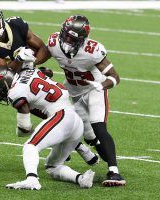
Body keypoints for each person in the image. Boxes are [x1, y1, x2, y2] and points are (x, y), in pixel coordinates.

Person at [0, 2, 99, 166]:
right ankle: (80, 147)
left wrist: (31, 66)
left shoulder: (16, 25)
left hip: (32, 77)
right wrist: (20, 61)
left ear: (0, 16)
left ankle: (84, 143)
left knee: (56, 111)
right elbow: (5, 73)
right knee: (50, 115)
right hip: (14, 85)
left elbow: (44, 50)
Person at [45, 15, 126, 187]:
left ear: (83, 40)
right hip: (73, 92)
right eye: (66, 35)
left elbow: (115, 77)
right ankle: (90, 150)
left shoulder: (92, 50)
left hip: (93, 89)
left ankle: (114, 172)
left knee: (99, 126)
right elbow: (40, 57)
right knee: (86, 135)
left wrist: (102, 85)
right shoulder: (53, 43)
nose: (67, 41)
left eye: (73, 38)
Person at [0, 67, 95, 190]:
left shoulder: (15, 92)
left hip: (62, 116)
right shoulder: (28, 71)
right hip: (75, 120)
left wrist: (19, 131)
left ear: (4, 82)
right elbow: (48, 72)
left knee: (30, 146)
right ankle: (81, 179)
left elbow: (25, 128)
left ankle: (31, 179)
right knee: (52, 166)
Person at [0, 2, 49, 72]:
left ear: (0, 17)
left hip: (29, 73)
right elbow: (6, 74)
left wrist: (32, 64)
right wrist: (19, 60)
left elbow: (43, 49)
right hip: (10, 84)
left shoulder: (16, 24)